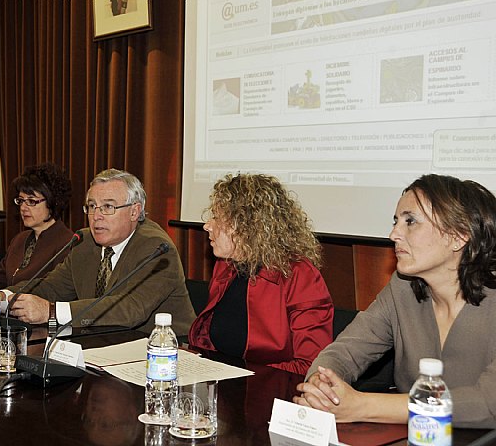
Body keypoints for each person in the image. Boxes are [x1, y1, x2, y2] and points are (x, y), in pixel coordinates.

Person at [295, 174, 496, 428]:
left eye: (410, 221)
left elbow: (488, 403)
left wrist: (363, 406)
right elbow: (343, 352)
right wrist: (323, 388)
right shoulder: (402, 288)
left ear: (458, 236)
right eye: (396, 221)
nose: (393, 234)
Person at [0, 168, 195, 336]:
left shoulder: (155, 248)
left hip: (163, 350)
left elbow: (130, 309)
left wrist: (50, 311)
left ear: (135, 211)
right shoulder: (85, 240)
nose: (96, 216)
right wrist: (3, 297)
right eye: (92, 206)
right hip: (104, 344)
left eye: (108, 207)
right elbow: (51, 286)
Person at [188, 173, 333, 375]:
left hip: (273, 395)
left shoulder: (299, 275)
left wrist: (244, 374)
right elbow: (213, 343)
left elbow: (310, 366)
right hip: (224, 389)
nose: (207, 225)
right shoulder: (226, 266)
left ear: (246, 226)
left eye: (217, 218)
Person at [0, 163, 73, 291]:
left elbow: (52, 289)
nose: (23, 208)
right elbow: (0, 277)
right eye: (21, 201)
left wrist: (3, 294)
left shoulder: (67, 243)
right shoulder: (20, 239)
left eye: (31, 201)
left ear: (53, 203)